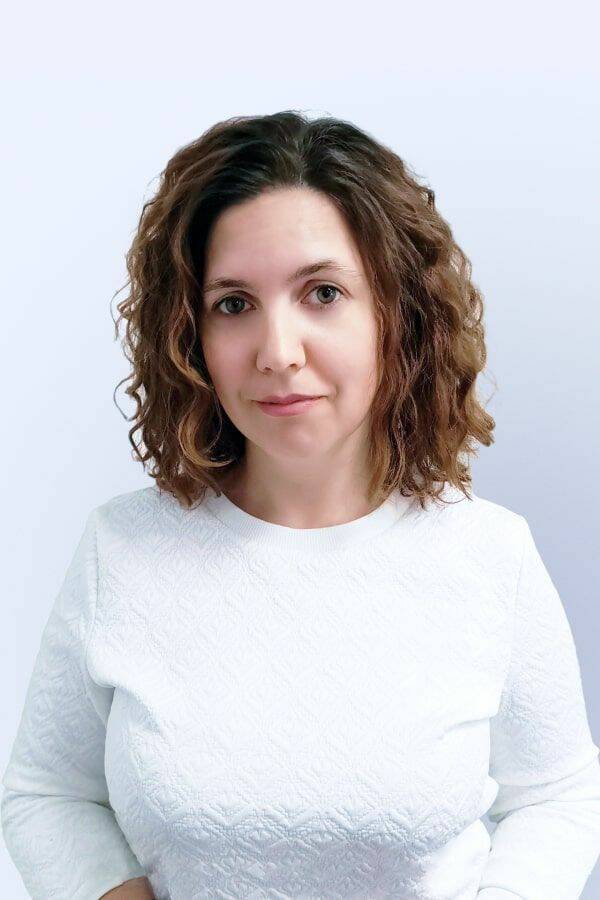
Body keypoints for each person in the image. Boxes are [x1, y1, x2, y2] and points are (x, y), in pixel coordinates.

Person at [2, 110, 600, 900]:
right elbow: (48, 793)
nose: (278, 352)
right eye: (233, 304)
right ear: (189, 334)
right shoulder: (122, 550)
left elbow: (559, 796)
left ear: (397, 314)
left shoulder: (490, 555)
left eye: (322, 293)